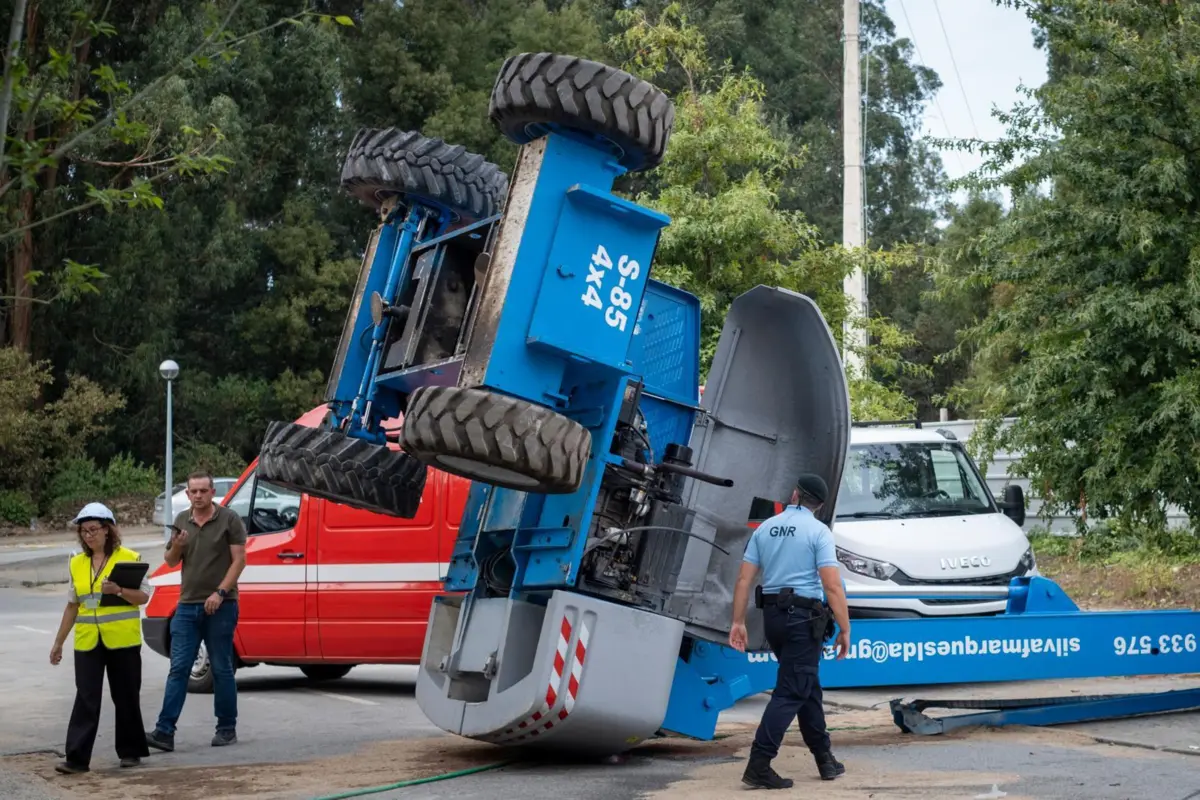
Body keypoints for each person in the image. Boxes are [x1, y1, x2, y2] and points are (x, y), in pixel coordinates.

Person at [729, 473, 852, 789]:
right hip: (802, 619)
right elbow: (832, 585)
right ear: (820, 505)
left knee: (806, 685)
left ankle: (825, 759)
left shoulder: (766, 527)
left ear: (794, 494)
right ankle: (759, 764)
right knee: (792, 689)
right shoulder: (819, 532)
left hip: (774, 619)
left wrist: (738, 622)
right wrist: (845, 628)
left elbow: (744, 580)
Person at [146, 471, 247, 751]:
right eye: (194, 491)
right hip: (188, 605)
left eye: (204, 491)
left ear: (213, 492)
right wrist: (177, 545)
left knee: (221, 667)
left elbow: (239, 561)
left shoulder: (229, 519)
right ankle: (164, 732)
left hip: (222, 605)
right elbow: (169, 561)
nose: (199, 496)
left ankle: (226, 727)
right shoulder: (181, 521)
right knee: (178, 668)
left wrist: (220, 593)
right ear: (188, 494)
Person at [49, 502, 153, 774]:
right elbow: (73, 605)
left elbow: (143, 596)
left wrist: (118, 590)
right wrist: (59, 642)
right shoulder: (76, 563)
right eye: (83, 531)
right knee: (86, 697)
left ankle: (130, 752)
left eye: (94, 529)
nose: (88, 535)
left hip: (123, 641)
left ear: (108, 530)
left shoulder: (129, 557)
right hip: (87, 642)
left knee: (126, 696)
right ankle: (76, 759)